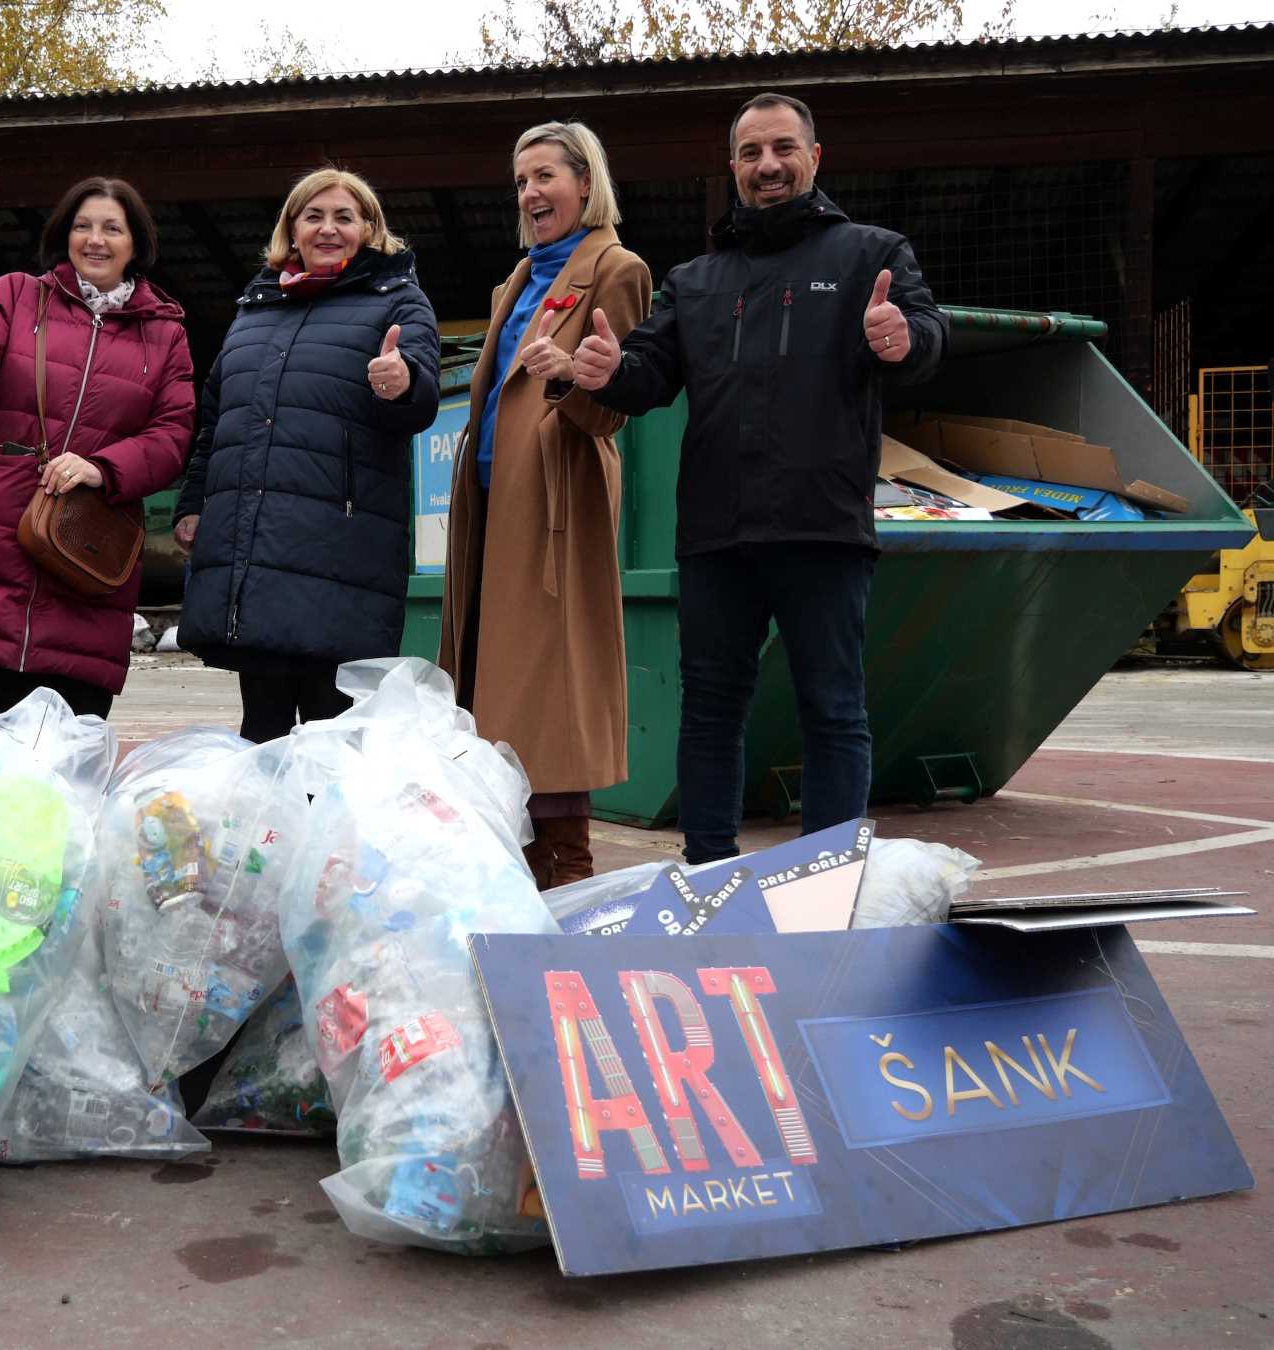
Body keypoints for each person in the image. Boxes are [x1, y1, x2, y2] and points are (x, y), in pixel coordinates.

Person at [571, 92, 948, 865]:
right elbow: (649, 376)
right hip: (716, 535)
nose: (767, 166)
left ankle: (827, 874)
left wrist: (904, 337)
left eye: (782, 149)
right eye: (750, 154)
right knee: (710, 710)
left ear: (815, 157)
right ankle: (707, 872)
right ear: (733, 167)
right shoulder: (697, 278)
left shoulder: (871, 254)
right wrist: (609, 372)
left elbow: (927, 338)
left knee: (833, 709)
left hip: (823, 527)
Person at [436, 122, 651, 889]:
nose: (531, 193)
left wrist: (579, 376)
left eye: (546, 177)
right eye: (521, 180)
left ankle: (567, 872)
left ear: (585, 186)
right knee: (497, 693)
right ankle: (522, 867)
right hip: (495, 509)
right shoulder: (517, 282)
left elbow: (614, 410)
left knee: (550, 689)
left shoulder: (616, 269)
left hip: (558, 510)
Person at [0, 176, 195, 718]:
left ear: (136, 243)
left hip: (88, 546)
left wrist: (102, 468)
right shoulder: (16, 296)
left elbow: (173, 434)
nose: (96, 239)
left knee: (76, 735)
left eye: (113, 228)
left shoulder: (165, 333)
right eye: (82, 226)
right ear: (65, 235)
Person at [173, 167, 441, 742]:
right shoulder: (256, 305)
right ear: (291, 230)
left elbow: (419, 400)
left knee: (331, 737)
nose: (327, 229)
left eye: (344, 217)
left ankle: (325, 835)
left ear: (370, 228)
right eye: (313, 216)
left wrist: (403, 381)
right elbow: (217, 420)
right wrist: (193, 503)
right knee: (262, 730)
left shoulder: (398, 300)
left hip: (339, 551)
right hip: (257, 549)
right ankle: (267, 836)